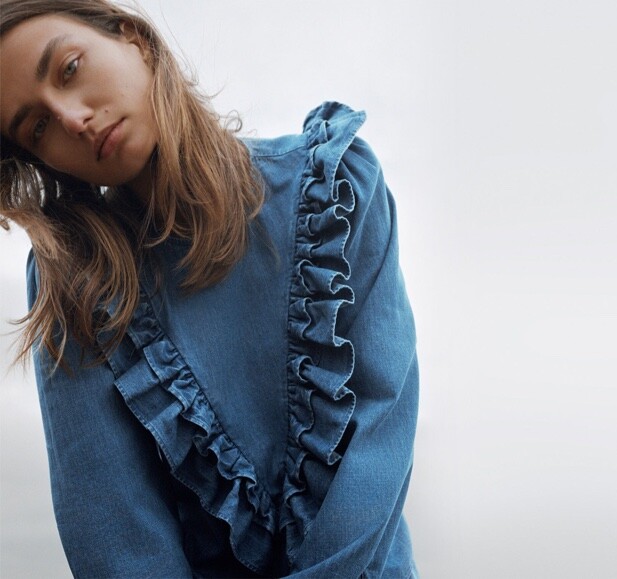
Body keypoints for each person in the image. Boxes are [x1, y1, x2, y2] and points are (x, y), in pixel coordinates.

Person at [0, 0, 420, 577]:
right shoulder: (74, 283)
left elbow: (382, 423)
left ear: (132, 38)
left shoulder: (338, 189)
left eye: (69, 68)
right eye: (38, 127)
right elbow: (115, 537)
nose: (74, 119)